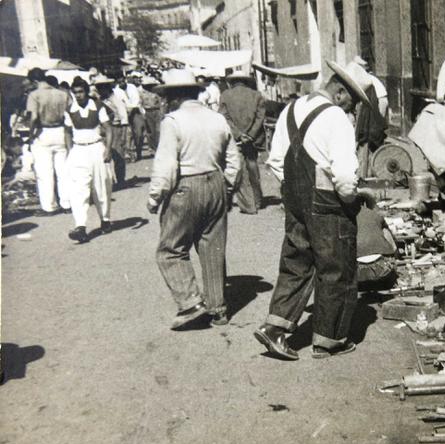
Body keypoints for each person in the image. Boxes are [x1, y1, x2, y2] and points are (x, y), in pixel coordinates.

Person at [253, 60, 372, 360]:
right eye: (353, 102)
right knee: (336, 267)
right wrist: (352, 199)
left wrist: (295, 190)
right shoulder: (336, 119)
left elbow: (276, 161)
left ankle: (275, 327)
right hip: (328, 204)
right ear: (342, 93)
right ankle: (329, 340)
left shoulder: (290, 109)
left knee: (296, 261)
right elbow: (345, 177)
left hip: (295, 199)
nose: (352, 109)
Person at [147, 69, 241, 330]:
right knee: (212, 247)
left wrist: (155, 197)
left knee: (170, 250)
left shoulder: (173, 121)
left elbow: (166, 165)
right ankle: (217, 308)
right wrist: (228, 188)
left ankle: (190, 304)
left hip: (185, 186)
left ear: (174, 96)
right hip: (215, 182)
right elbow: (234, 160)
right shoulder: (217, 119)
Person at [63, 77, 113, 243]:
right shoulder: (70, 109)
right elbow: (68, 132)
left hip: (96, 148)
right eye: (75, 92)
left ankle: (105, 220)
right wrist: (70, 151)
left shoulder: (97, 106)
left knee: (101, 186)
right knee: (79, 189)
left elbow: (108, 129)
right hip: (79, 151)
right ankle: (81, 227)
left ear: (86, 92)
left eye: (80, 92)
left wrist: (108, 149)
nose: (78, 95)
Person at [219, 71, 267, 215]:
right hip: (253, 139)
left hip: (235, 139)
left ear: (232, 81)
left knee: (236, 168)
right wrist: (250, 134)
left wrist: (239, 135)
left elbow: (224, 117)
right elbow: (260, 118)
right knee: (253, 167)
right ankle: (258, 200)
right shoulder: (257, 95)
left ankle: (243, 201)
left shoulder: (225, 95)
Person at [26, 67, 71, 216]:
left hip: (43, 132)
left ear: (35, 81)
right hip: (61, 131)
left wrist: (30, 134)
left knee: (45, 172)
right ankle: (67, 203)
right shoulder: (62, 94)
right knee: (63, 170)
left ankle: (49, 206)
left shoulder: (34, 95)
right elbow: (71, 113)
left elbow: (33, 117)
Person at [110, 74, 130, 184]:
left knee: (118, 155)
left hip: (116, 128)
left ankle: (121, 179)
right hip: (103, 130)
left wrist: (123, 134)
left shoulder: (116, 99)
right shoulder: (97, 100)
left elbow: (124, 117)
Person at [139, 76, 162, 153]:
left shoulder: (156, 92)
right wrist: (143, 114)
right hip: (147, 112)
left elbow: (160, 102)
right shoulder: (141, 93)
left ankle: (159, 146)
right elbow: (140, 104)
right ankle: (152, 147)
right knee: (150, 131)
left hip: (157, 111)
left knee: (158, 130)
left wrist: (161, 112)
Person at [125, 73, 146, 161]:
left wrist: (130, 110)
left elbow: (136, 101)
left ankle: (138, 150)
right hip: (124, 113)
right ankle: (129, 154)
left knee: (139, 133)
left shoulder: (131, 87)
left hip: (135, 111)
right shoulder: (116, 89)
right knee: (128, 134)